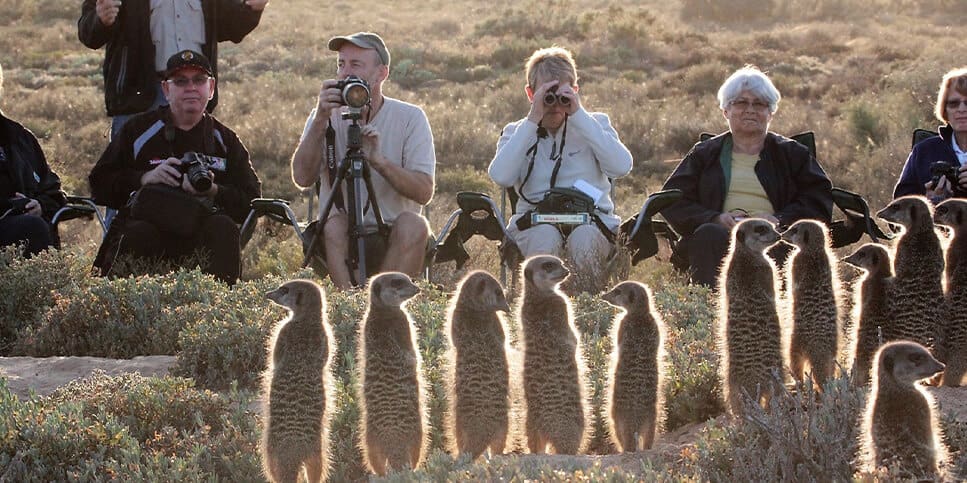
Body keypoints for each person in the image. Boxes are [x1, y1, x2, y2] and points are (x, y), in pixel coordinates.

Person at [89, 50, 261, 284]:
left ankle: (221, 310)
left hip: (201, 232)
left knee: (223, 227)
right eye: (181, 81)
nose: (191, 87)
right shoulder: (138, 130)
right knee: (138, 232)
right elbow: (98, 183)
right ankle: (125, 309)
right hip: (149, 230)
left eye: (199, 80)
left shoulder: (225, 140)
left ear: (211, 88)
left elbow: (252, 201)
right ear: (166, 90)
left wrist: (212, 191)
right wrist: (144, 178)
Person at [661, 66, 833, 287]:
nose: (750, 110)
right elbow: (672, 199)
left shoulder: (793, 153)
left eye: (759, 104)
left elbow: (818, 199)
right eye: (741, 103)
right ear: (726, 111)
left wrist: (779, 219)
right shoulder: (705, 154)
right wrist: (715, 218)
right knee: (707, 235)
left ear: (770, 113)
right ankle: (710, 313)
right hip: (722, 237)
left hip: (776, 238)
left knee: (787, 244)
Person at [291, 32, 435, 290]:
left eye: (356, 65)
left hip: (394, 233)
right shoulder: (324, 116)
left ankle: (382, 304)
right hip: (340, 236)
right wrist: (321, 119)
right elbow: (302, 178)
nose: (345, 73)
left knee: (414, 224)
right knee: (334, 222)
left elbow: (424, 192)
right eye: (341, 64)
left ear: (382, 73)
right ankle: (349, 307)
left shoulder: (410, 117)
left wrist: (380, 162)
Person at [488, 47, 633, 287]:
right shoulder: (516, 132)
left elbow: (621, 166)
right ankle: (541, 312)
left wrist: (579, 115)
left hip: (592, 222)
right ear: (530, 93)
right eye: (547, 95)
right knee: (545, 238)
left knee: (584, 239)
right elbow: (501, 176)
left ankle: (587, 308)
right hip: (534, 224)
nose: (555, 104)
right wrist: (532, 120)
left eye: (563, 95)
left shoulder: (595, 124)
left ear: (575, 91)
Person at [78, 0, 267, 139]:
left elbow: (230, 26)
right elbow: (89, 34)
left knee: (192, 178)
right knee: (130, 179)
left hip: (193, 94)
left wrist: (253, 9)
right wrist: (101, 20)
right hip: (139, 97)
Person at [0, 62, 67, 257]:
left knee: (33, 225)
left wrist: (39, 205)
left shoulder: (20, 138)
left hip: (17, 226)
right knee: (33, 227)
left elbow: (53, 191)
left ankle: (41, 285)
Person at [894, 67, 967, 202]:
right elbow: (898, 209)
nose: (961, 109)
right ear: (945, 110)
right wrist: (927, 202)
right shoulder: (924, 152)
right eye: (953, 104)